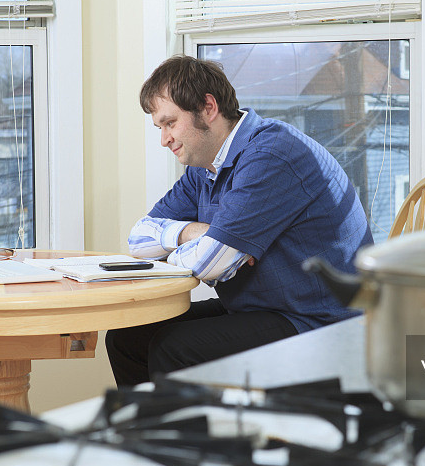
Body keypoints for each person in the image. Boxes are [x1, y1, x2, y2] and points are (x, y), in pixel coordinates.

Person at [105, 55, 374, 386]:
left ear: (208, 107)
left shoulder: (271, 154)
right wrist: (194, 233)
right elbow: (139, 239)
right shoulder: (204, 169)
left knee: (173, 348)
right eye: (159, 127)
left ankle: (184, 437)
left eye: (170, 123)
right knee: (127, 337)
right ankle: (140, 435)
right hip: (268, 309)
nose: (164, 139)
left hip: (322, 323)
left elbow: (209, 266)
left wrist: (203, 247)